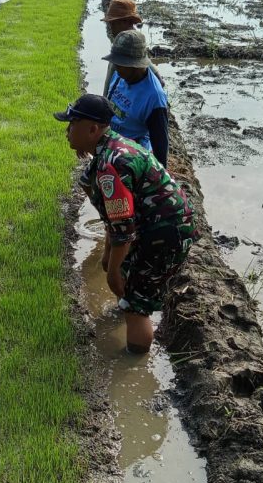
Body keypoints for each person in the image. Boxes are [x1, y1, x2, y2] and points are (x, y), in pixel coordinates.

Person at [54, 93, 196, 354]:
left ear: (92, 129)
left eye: (71, 125)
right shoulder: (109, 150)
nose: (67, 132)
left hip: (165, 233)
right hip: (153, 226)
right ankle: (127, 311)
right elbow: (116, 220)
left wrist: (113, 270)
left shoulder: (111, 166)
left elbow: (123, 230)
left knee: (137, 303)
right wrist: (110, 257)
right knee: (125, 278)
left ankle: (132, 364)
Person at [103, 29, 170, 169]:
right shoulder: (120, 73)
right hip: (109, 141)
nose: (115, 66)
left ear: (136, 65)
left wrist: (159, 178)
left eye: (121, 64)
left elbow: (160, 145)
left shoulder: (154, 97)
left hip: (131, 154)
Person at [101, 0, 143, 97]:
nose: (110, 26)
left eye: (113, 22)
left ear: (125, 21)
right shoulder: (120, 41)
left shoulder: (133, 45)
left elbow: (147, 68)